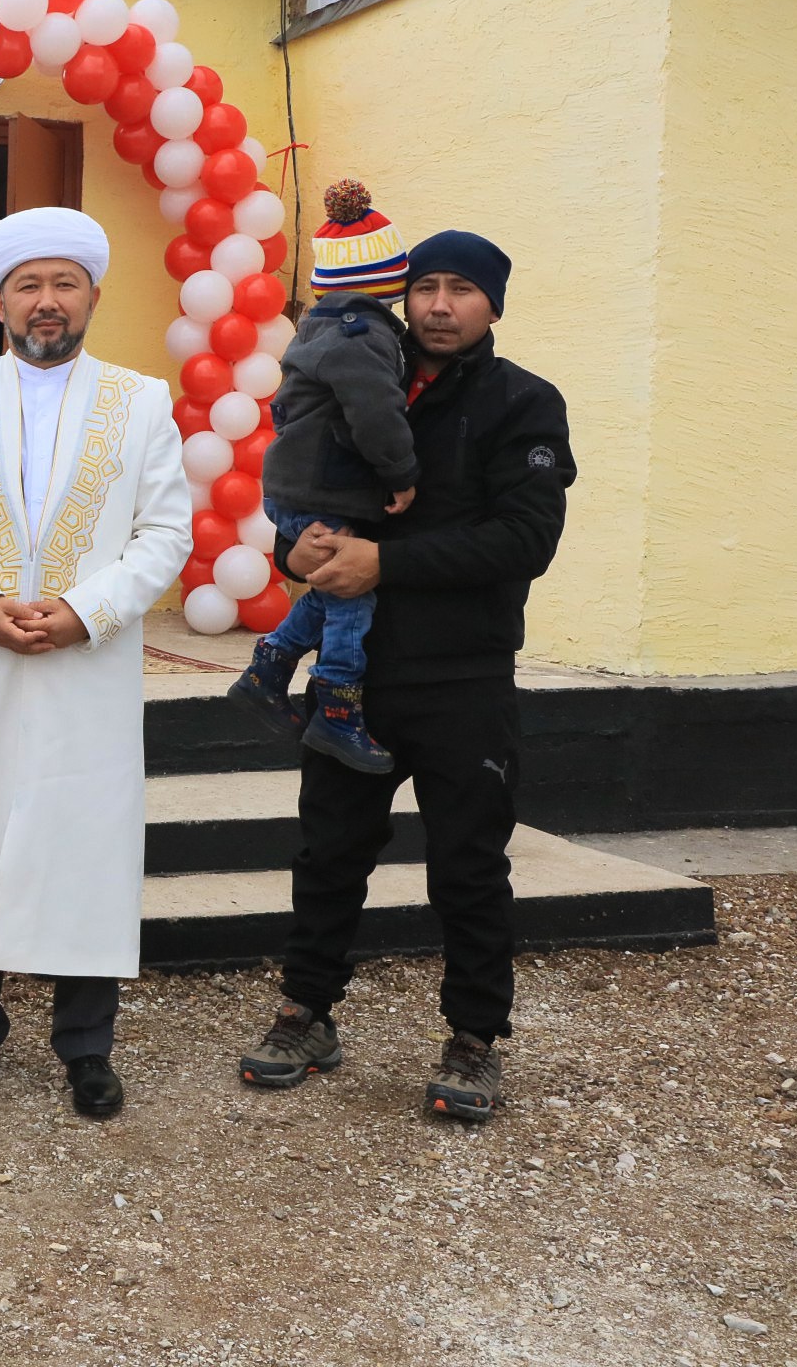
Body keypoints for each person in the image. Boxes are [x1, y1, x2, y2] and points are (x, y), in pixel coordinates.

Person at [238, 229, 574, 1122]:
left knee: (468, 865)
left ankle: (474, 1039)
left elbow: (525, 539)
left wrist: (385, 564)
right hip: (355, 677)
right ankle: (306, 1013)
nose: (439, 305)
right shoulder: (363, 369)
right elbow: (307, 486)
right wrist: (290, 551)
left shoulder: (522, 402)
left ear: (494, 305)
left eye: (462, 289)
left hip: (463, 676)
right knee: (328, 852)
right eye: (425, 286)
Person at [0, 206, 190, 1119]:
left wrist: (87, 611)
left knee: (83, 846)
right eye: (29, 285)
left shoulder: (143, 402)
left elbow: (164, 533)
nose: (47, 301)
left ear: (94, 294)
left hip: (85, 666)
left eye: (65, 283)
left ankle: (87, 1048)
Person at [227, 180, 418, 770]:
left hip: (304, 485)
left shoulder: (322, 327)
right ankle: (338, 709)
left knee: (332, 586)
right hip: (324, 485)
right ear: (386, 280)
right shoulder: (361, 337)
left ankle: (267, 670)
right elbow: (376, 413)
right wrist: (401, 473)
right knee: (353, 597)